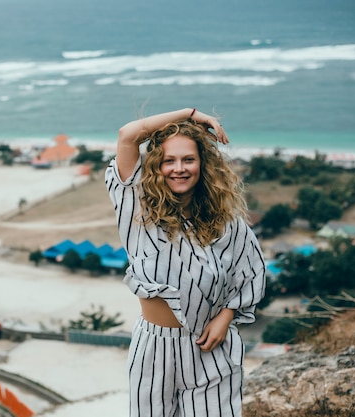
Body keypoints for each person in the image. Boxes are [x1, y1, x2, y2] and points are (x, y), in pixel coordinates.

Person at [105, 108, 266, 416]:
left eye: (188, 159)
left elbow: (250, 271)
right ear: (156, 166)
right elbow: (128, 135)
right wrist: (191, 114)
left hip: (210, 347)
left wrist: (226, 316)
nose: (179, 168)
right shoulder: (137, 206)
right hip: (155, 347)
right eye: (169, 160)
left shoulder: (226, 223)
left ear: (202, 165)